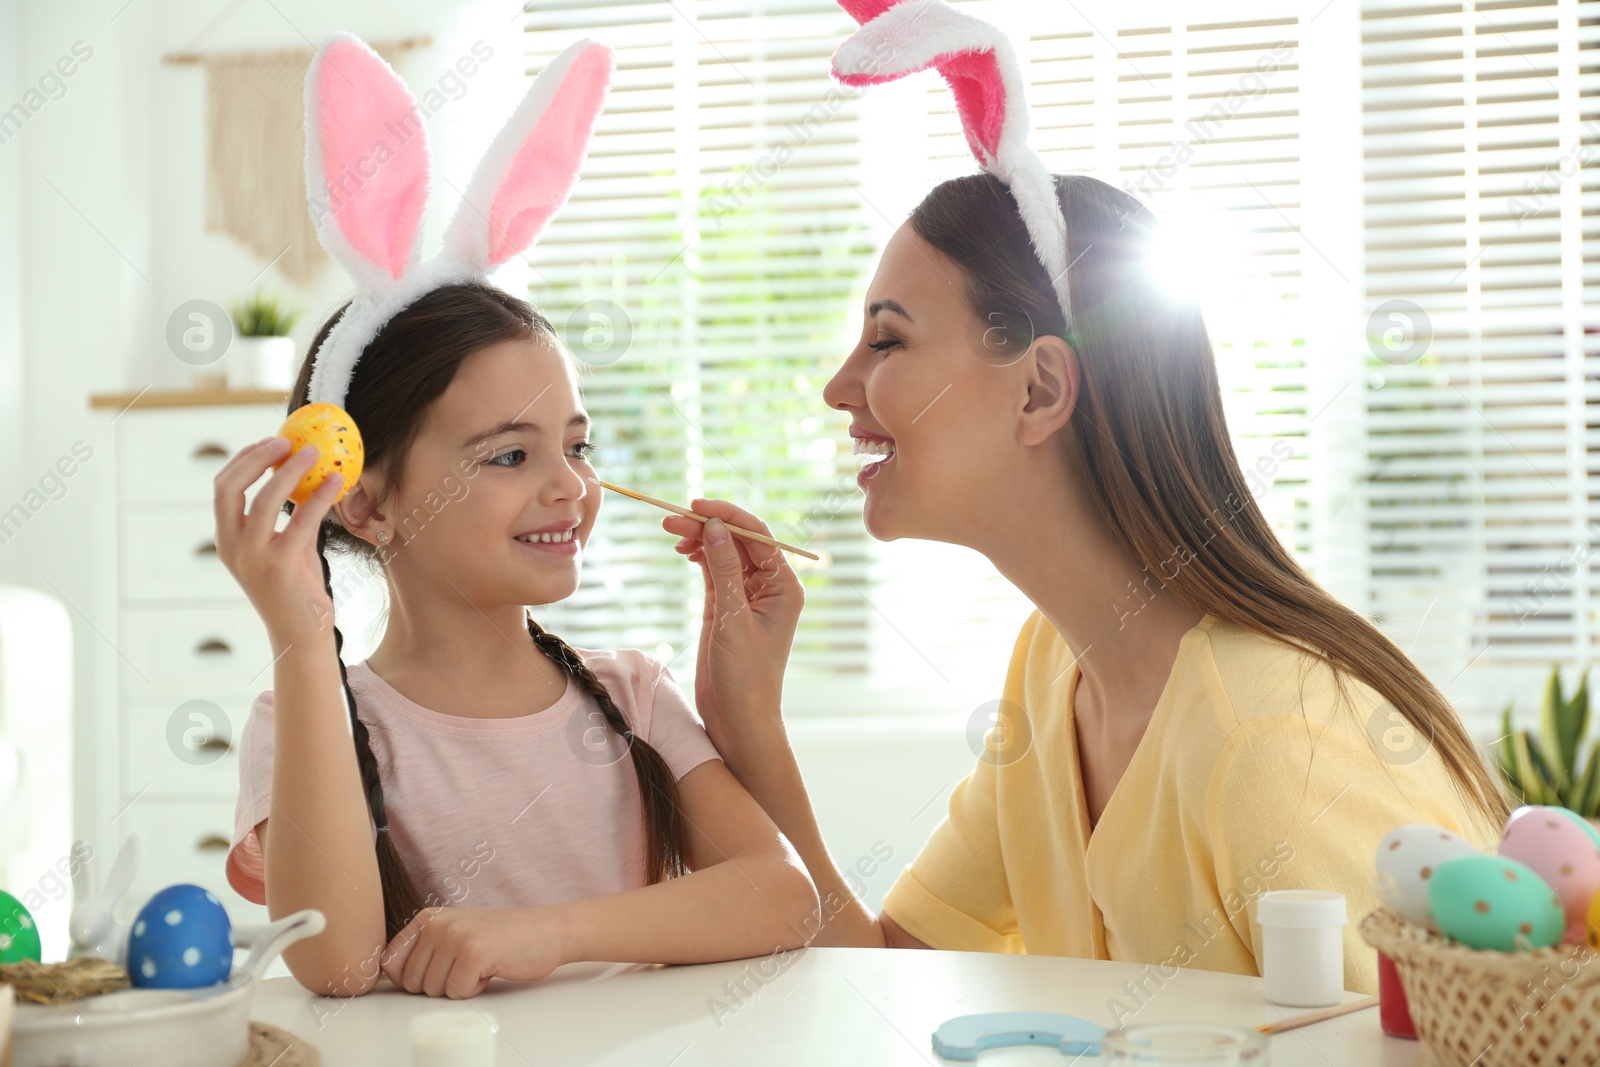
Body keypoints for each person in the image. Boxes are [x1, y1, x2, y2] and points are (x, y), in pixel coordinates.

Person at [661, 0, 1510, 997]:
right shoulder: (1054, 670)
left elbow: (1447, 1041)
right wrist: (749, 716)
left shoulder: (1274, 737)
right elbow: (881, 978)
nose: (839, 385)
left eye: (887, 340)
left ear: (1039, 389)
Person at [218, 34, 817, 1001]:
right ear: (366, 501)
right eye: (509, 454)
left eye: (575, 445)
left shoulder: (631, 699)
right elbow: (334, 963)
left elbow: (784, 899)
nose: (570, 487)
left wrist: (546, 934)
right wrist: (300, 631)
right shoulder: (311, 719)